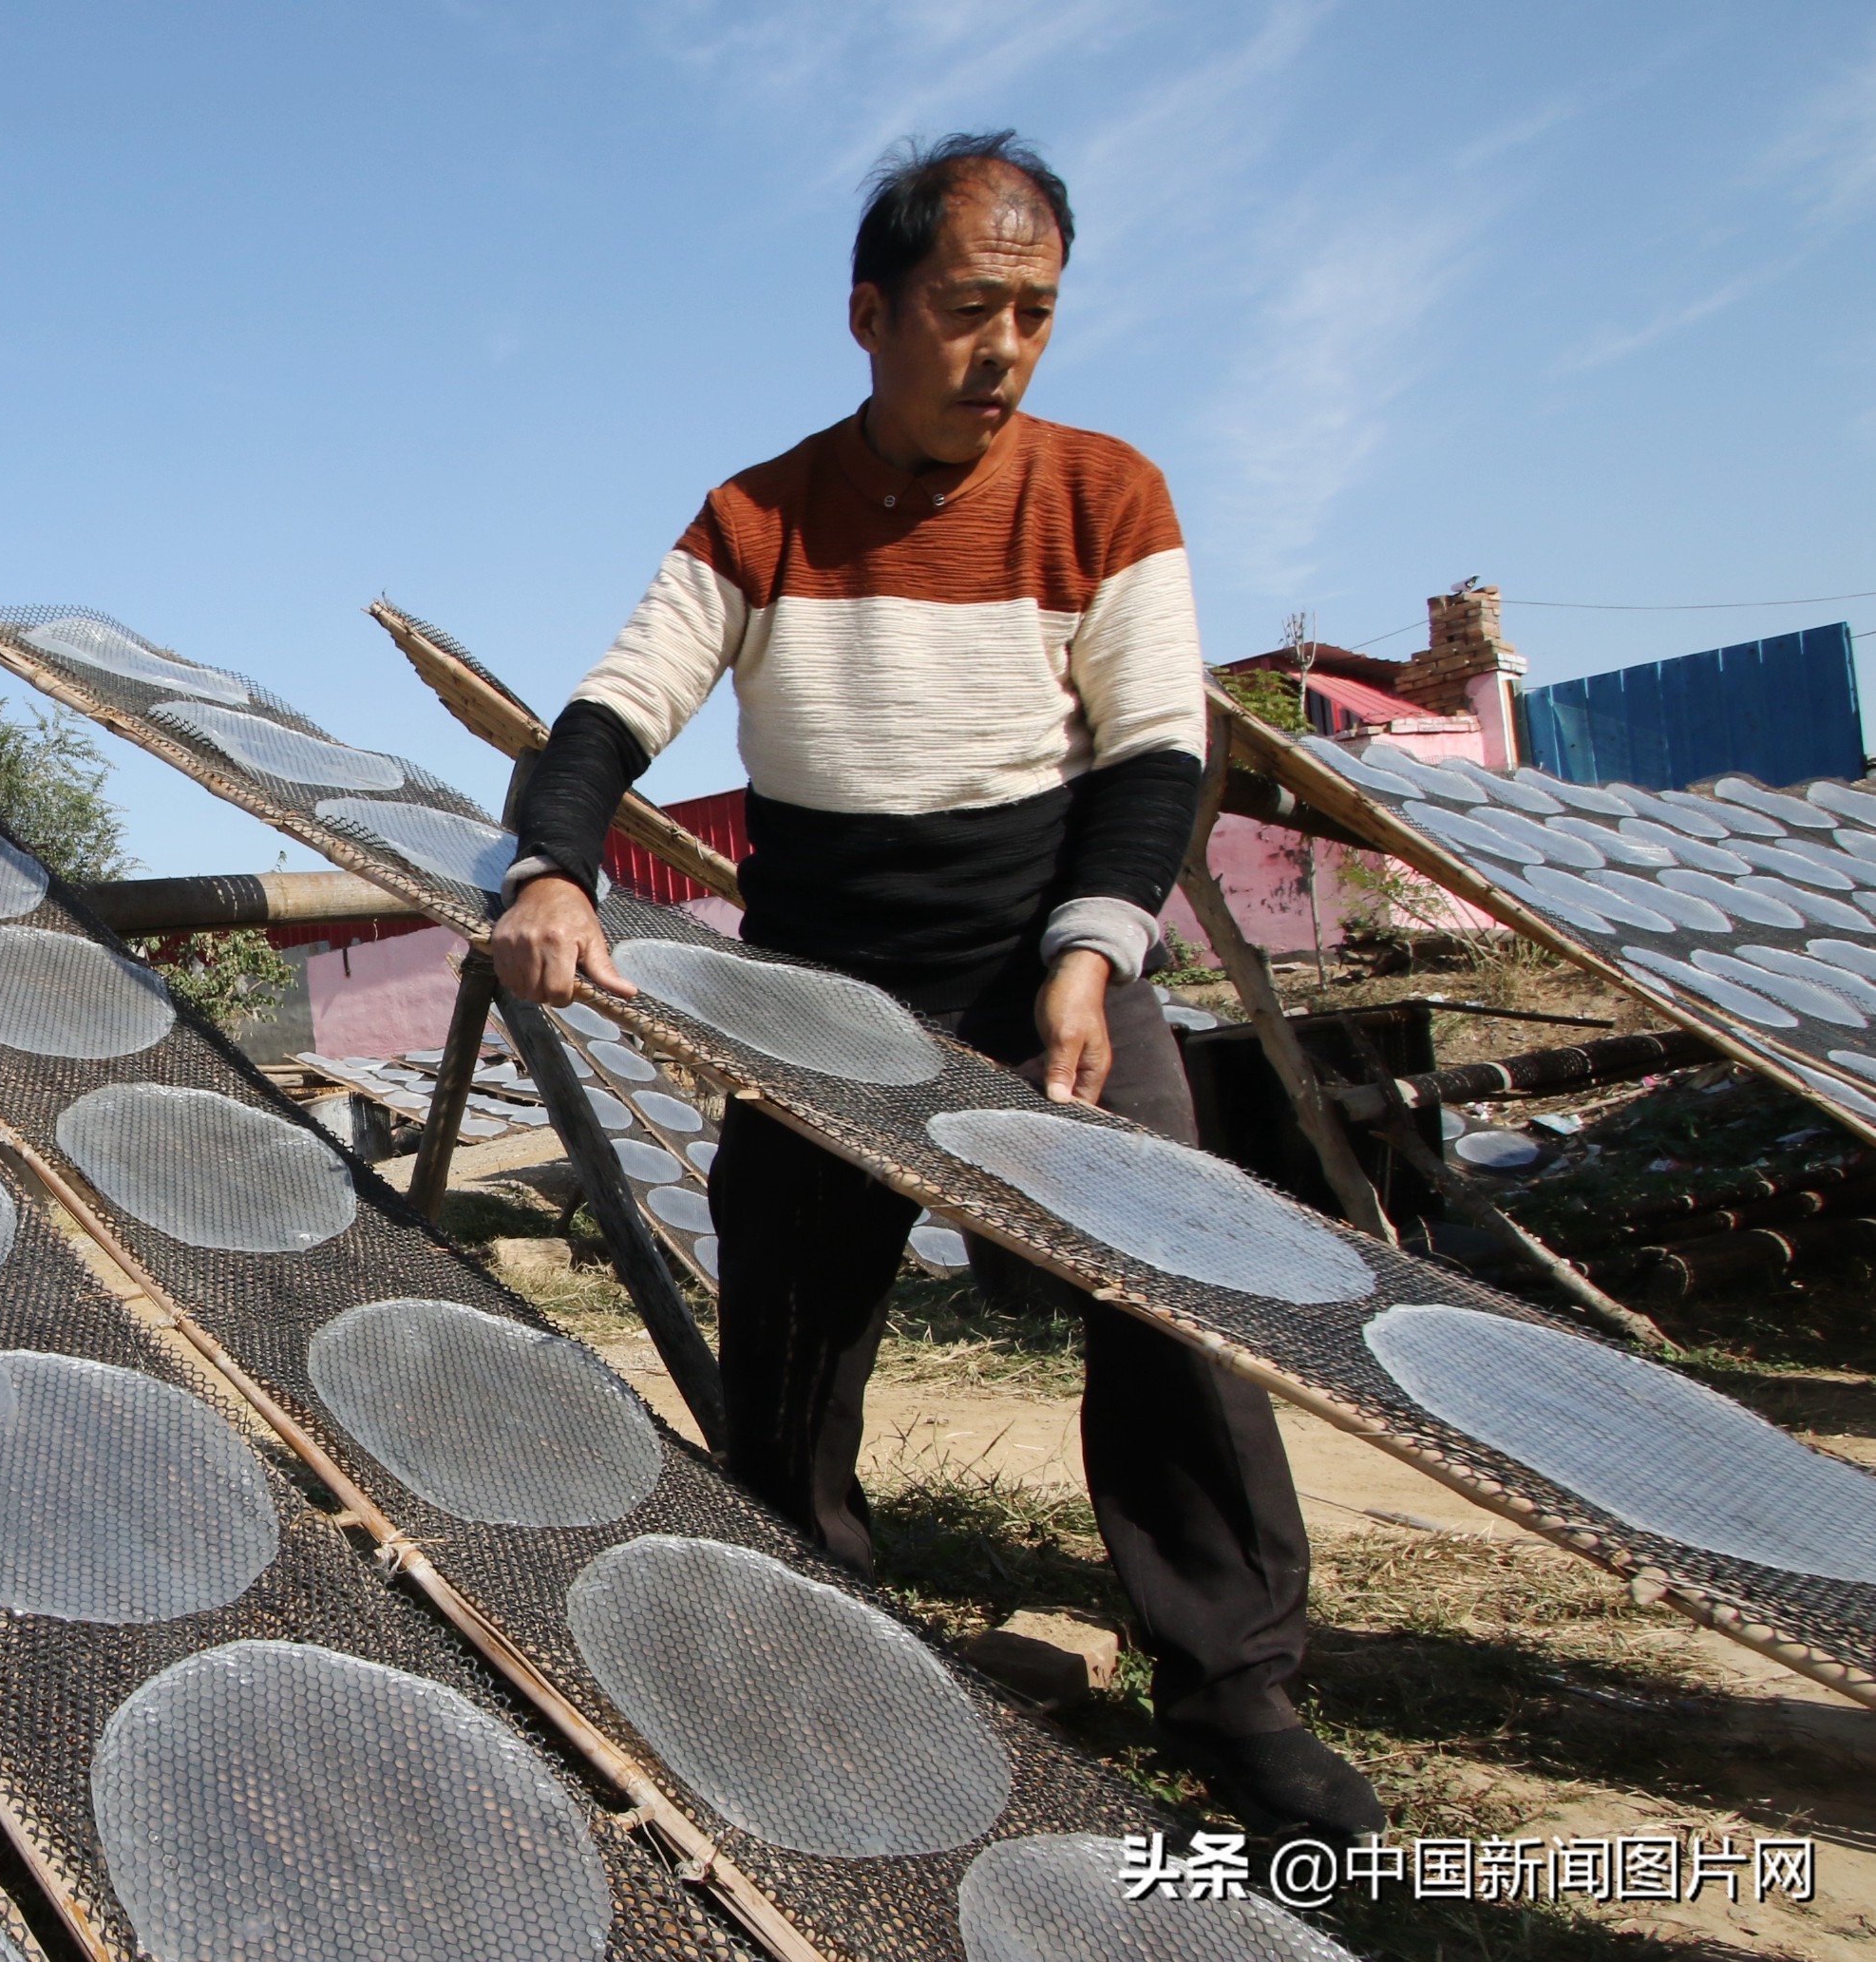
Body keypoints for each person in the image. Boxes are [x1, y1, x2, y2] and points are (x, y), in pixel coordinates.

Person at [490, 131, 1384, 1843]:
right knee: (794, 1311)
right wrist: (551, 863)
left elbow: (1153, 752)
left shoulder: (1103, 493)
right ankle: (807, 1632)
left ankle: (1232, 1696)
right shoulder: (756, 516)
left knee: (1169, 1298)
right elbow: (613, 712)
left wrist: (1089, 954)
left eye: (1036, 313)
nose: (1006, 349)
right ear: (871, 313)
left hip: (1053, 951)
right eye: (970, 308)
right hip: (828, 971)